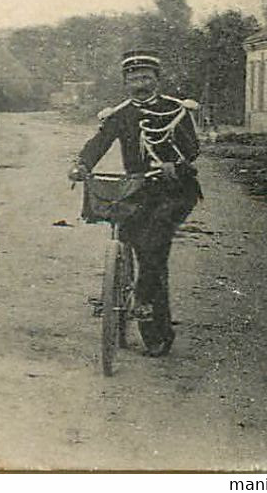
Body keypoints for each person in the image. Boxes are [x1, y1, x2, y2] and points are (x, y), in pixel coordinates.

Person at [68, 49, 203, 357]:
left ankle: (155, 330)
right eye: (133, 78)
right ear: (125, 82)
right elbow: (98, 144)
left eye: (145, 77)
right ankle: (121, 289)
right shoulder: (120, 115)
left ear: (156, 79)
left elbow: (192, 148)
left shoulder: (176, 110)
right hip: (137, 190)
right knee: (128, 239)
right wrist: (82, 164)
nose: (139, 83)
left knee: (153, 249)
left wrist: (176, 165)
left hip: (173, 190)